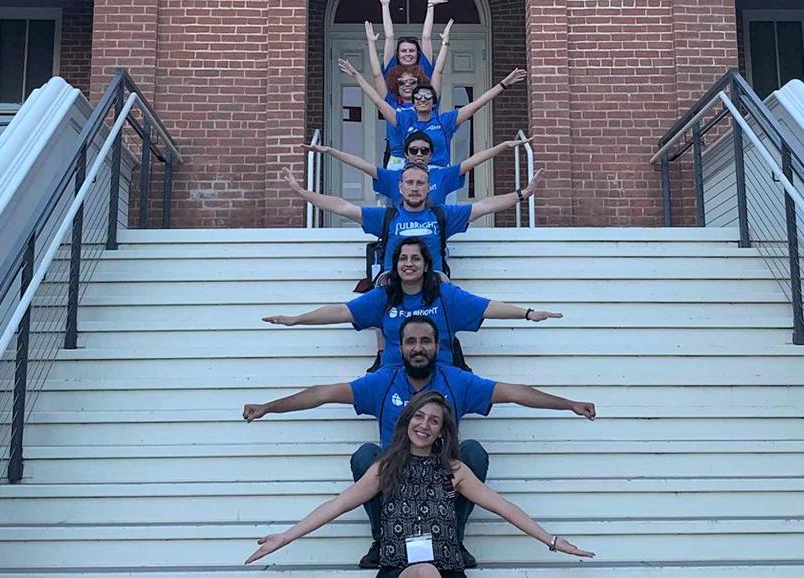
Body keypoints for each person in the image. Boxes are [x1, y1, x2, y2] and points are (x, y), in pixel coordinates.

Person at [243, 324, 596, 570]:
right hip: (395, 497)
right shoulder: (384, 384)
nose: (418, 347)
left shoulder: (456, 390)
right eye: (410, 341)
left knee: (473, 452)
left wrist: (551, 540)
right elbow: (323, 396)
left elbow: (516, 396)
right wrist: (286, 537)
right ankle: (382, 538)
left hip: (440, 522)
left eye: (426, 340)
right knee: (366, 456)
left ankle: (453, 538)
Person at [261, 238, 562, 369]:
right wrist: (296, 319)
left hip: (439, 377)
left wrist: (527, 313)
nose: (409, 263)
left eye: (415, 258)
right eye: (403, 258)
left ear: (426, 264)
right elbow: (342, 311)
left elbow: (486, 306)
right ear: (394, 264)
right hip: (394, 376)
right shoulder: (384, 296)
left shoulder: (446, 296)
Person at [280, 164, 538, 280]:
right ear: (400, 188)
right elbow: (341, 206)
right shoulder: (387, 216)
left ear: (429, 188)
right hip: (394, 283)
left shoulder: (442, 214)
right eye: (410, 183)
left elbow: (485, 205)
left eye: (421, 183)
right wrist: (303, 193)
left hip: (432, 285)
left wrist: (522, 194)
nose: (415, 188)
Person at [337, 58, 527, 169]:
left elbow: (477, 104)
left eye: (427, 96)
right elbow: (378, 100)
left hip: (440, 177)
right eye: (417, 96)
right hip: (411, 177)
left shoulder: (446, 121)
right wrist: (357, 76)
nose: (422, 99)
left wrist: (503, 84)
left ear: (434, 102)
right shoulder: (403, 120)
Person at [307, 131, 532, 204]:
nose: (418, 155)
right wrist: (330, 152)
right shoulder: (394, 176)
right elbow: (362, 164)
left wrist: (503, 145)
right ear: (405, 153)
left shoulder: (442, 175)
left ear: (431, 154)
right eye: (413, 150)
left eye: (424, 151)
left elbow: (475, 160)